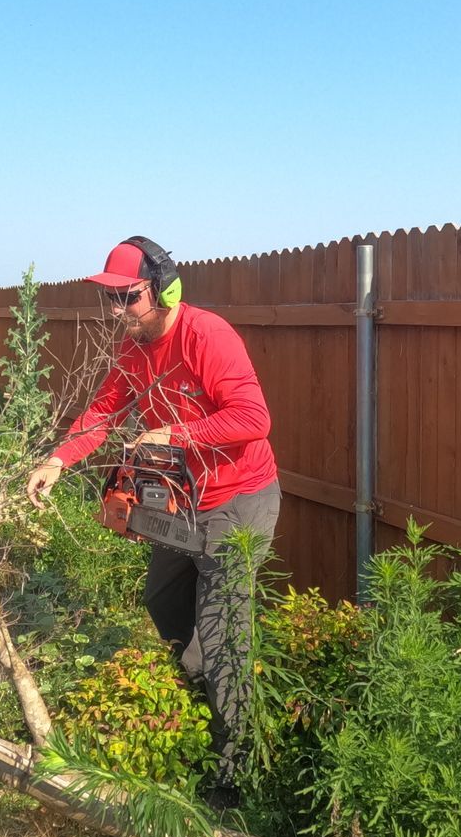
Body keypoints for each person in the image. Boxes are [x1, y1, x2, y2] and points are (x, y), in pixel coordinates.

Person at [24, 236, 280, 786]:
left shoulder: (206, 336)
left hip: (238, 501)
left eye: (129, 298)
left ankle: (233, 772)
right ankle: (194, 710)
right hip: (183, 503)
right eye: (111, 300)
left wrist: (178, 433)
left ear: (163, 289)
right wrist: (59, 459)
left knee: (225, 636)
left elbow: (253, 418)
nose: (118, 312)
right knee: (163, 602)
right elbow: (104, 408)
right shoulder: (135, 349)